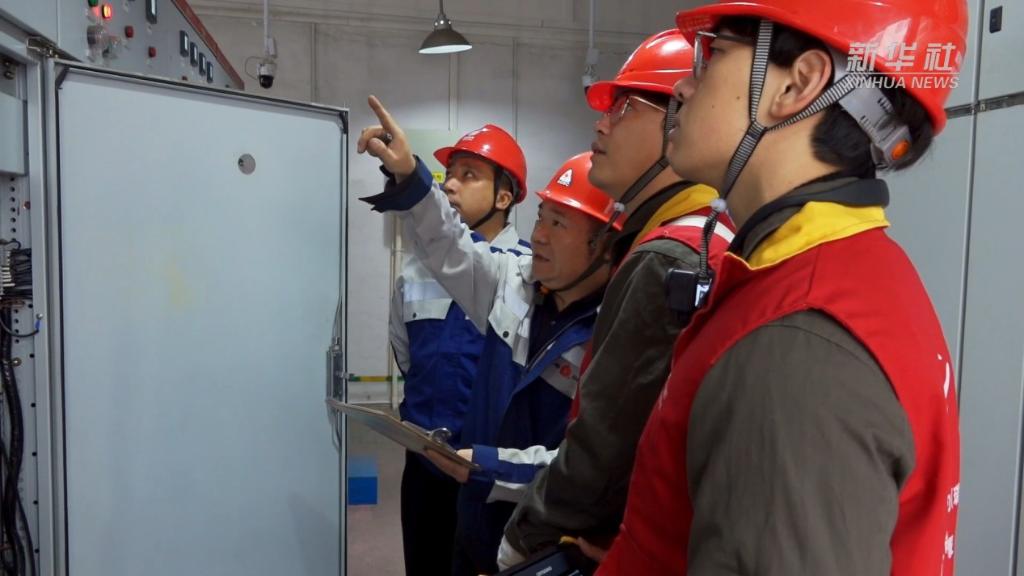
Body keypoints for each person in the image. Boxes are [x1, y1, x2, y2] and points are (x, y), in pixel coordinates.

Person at [594, 1, 966, 573]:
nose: (684, 87)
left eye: (712, 55)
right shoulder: (844, 276)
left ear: (799, 84)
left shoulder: (799, 344)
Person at [499, 30, 733, 569]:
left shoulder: (666, 259)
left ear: (680, 119)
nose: (601, 124)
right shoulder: (710, 235)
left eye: (624, 107)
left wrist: (523, 538)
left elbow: (603, 448)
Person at [358, 108, 618, 574]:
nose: (540, 236)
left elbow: (591, 466)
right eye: (541, 218)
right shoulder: (514, 282)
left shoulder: (613, 332)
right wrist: (409, 174)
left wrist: (489, 467)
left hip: (530, 514)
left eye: (559, 223)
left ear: (603, 244)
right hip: (450, 476)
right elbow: (445, 243)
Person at [388, 124, 530, 576]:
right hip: (423, 463)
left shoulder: (526, 275)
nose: (450, 184)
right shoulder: (415, 271)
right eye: (449, 174)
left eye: (469, 175)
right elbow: (405, 355)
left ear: (504, 197)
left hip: (488, 472)